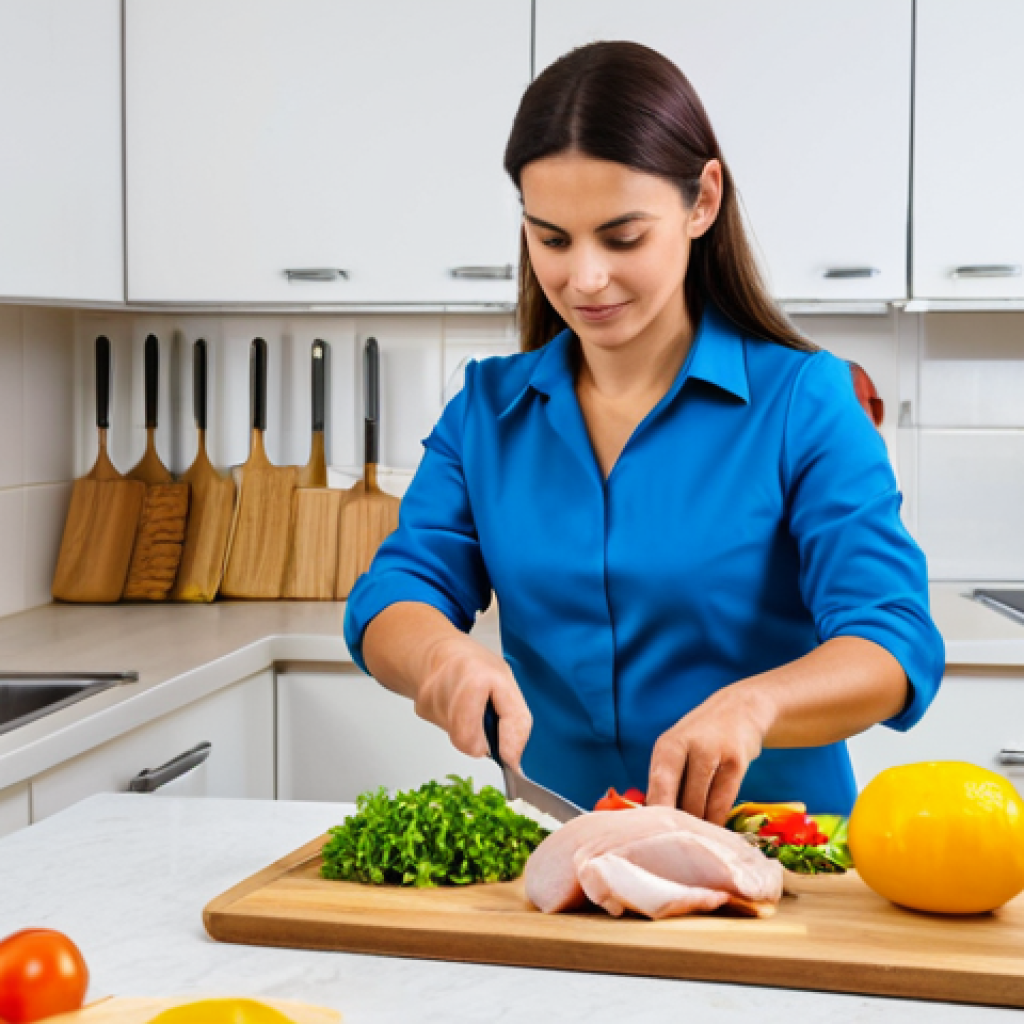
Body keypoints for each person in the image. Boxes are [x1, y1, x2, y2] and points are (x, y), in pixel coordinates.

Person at [343, 40, 945, 823]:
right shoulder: (486, 412)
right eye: (551, 238)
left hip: (781, 861)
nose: (583, 277)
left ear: (702, 201)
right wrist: (440, 654)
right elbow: (395, 592)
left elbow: (893, 639)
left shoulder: (804, 400)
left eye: (622, 236)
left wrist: (755, 708)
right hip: (559, 850)